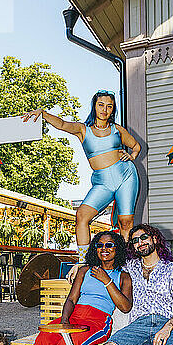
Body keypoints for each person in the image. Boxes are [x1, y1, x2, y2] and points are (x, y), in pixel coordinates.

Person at [22, 90, 141, 264]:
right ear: (94, 106)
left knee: (126, 221)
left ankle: (127, 262)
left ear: (113, 109)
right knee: (82, 216)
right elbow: (62, 124)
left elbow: (136, 146)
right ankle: (84, 261)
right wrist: (43, 113)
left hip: (126, 176)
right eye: (101, 105)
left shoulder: (117, 130)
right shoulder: (83, 129)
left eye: (109, 106)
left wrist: (132, 156)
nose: (105, 109)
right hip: (102, 182)